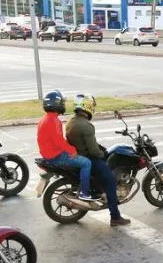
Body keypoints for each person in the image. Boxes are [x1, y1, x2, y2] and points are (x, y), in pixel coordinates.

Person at [65, 94, 130, 226]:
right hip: (88, 158)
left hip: (76, 155)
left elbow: (87, 143)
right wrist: (103, 154)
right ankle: (115, 217)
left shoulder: (71, 121)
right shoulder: (87, 125)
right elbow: (94, 151)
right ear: (87, 106)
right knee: (111, 182)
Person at [37, 90, 95, 202]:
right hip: (56, 156)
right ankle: (84, 192)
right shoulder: (53, 121)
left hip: (48, 154)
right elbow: (59, 140)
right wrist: (71, 150)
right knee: (86, 163)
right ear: (58, 104)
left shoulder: (44, 119)